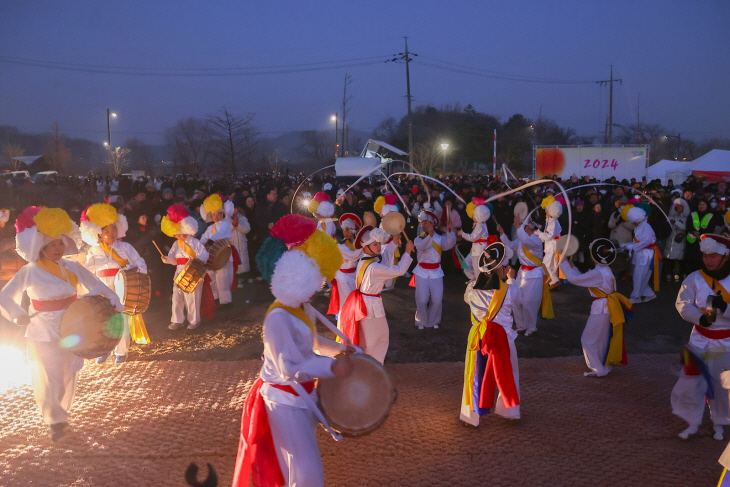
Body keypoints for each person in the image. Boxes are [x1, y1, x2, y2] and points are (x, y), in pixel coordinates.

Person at [233, 214, 351, 487]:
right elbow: (288, 368)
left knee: (295, 472)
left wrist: (343, 350)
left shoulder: (300, 306)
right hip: (284, 401)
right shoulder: (278, 317)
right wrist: (332, 367)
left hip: (302, 396)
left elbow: (314, 344)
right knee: (307, 475)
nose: (319, 286)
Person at [0, 207, 123, 441]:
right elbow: (5, 297)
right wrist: (18, 315)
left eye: (60, 244)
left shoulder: (72, 266)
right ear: (41, 247)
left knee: (68, 375)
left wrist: (112, 298)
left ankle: (62, 415)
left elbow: (96, 284)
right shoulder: (30, 271)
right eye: (52, 245)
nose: (58, 249)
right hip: (42, 330)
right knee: (49, 377)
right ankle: (55, 422)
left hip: (73, 327)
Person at [671, 234, 730, 441]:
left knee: (722, 385)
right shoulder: (695, 277)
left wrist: (726, 308)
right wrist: (699, 318)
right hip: (699, 339)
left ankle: (720, 421)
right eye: (705, 255)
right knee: (690, 381)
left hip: (726, 342)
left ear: (724, 256)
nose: (708, 260)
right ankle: (692, 421)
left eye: (713, 255)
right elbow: (682, 304)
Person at [460, 241, 520, 426]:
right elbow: (519, 301)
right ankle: (510, 411)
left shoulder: (471, 289)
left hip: (478, 338)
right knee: (508, 373)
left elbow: (466, 298)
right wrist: (511, 279)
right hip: (503, 339)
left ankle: (470, 417)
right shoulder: (510, 290)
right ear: (501, 268)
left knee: (473, 376)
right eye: (506, 266)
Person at [80, 203, 148, 364]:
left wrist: (135, 270)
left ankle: (121, 351)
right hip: (103, 286)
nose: (111, 234)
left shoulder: (125, 247)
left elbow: (140, 262)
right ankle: (105, 350)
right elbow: (88, 270)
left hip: (123, 287)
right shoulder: (94, 250)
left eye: (113, 230)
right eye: (106, 231)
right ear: (99, 234)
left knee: (121, 318)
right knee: (103, 318)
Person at [339, 225, 414, 363]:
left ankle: (369, 369)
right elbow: (398, 270)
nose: (379, 247)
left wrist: (393, 242)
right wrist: (407, 252)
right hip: (370, 307)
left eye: (379, 244)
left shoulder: (365, 260)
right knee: (377, 341)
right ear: (366, 247)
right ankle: (372, 371)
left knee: (371, 341)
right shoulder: (373, 266)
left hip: (365, 304)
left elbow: (384, 257)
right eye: (375, 244)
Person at [559, 238, 633, 377]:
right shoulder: (604, 270)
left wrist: (563, 262)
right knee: (602, 339)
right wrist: (572, 267)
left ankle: (599, 369)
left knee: (588, 339)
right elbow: (584, 278)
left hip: (601, 309)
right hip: (607, 307)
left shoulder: (598, 273)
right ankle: (604, 366)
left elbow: (575, 280)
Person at [498, 215, 553, 336]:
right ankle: (521, 325)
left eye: (524, 224)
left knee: (529, 302)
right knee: (516, 299)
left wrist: (517, 226)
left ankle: (531, 327)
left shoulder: (536, 240)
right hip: (522, 273)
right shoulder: (522, 239)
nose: (523, 226)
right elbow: (511, 244)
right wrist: (502, 234)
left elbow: (525, 241)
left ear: (529, 226)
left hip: (534, 275)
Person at [160, 204, 210, 330]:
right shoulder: (176, 244)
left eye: (179, 234)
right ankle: (177, 320)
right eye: (176, 234)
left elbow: (204, 254)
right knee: (177, 297)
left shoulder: (195, 242)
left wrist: (200, 259)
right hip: (179, 273)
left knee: (192, 298)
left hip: (193, 272)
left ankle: (194, 321)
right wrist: (167, 259)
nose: (177, 236)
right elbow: (173, 259)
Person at [412, 210, 456, 329]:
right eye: (422, 223)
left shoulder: (440, 238)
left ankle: (433, 321)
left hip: (436, 272)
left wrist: (450, 231)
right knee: (422, 299)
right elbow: (422, 247)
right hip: (421, 272)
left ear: (432, 223)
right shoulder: (418, 239)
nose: (423, 225)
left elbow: (449, 244)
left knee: (437, 299)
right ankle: (421, 321)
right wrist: (430, 236)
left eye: (426, 222)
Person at [620, 203, 660, 303]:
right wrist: (626, 245)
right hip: (640, 254)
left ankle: (635, 297)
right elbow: (637, 241)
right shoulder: (640, 226)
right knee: (640, 276)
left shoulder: (646, 227)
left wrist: (632, 246)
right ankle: (649, 294)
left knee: (639, 276)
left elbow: (646, 242)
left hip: (645, 255)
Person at [200, 194, 234, 306]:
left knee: (223, 278)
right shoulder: (210, 228)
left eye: (218, 214)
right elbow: (204, 237)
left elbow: (221, 234)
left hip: (224, 254)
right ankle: (216, 298)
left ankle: (226, 301)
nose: (216, 217)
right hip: (212, 256)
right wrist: (201, 244)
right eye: (213, 215)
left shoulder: (226, 224)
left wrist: (210, 241)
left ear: (222, 214)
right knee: (213, 278)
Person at [327, 213, 363, 319]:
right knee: (346, 303)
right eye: (344, 230)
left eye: (348, 230)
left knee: (353, 302)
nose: (346, 233)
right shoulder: (340, 246)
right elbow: (353, 256)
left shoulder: (356, 244)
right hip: (342, 278)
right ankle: (344, 326)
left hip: (354, 276)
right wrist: (365, 245)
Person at [459, 198, 492, 278]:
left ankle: (478, 283)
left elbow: (472, 237)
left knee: (478, 269)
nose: (472, 217)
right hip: (476, 249)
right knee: (466, 264)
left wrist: (462, 233)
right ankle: (475, 280)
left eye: (473, 216)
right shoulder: (481, 224)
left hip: (479, 250)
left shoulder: (480, 225)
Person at [534, 195, 563, 284]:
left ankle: (554, 280)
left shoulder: (553, 221)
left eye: (547, 209)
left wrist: (539, 234)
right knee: (550, 266)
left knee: (546, 264)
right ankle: (553, 281)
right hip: (550, 245)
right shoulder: (549, 219)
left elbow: (549, 236)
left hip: (553, 246)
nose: (546, 211)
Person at [230, 205, 251, 287]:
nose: (234, 210)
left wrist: (238, 225)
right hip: (233, 243)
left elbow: (247, 229)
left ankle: (245, 277)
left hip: (242, 243)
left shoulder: (242, 218)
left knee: (244, 261)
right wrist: (233, 225)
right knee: (236, 262)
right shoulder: (226, 219)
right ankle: (238, 280)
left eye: (235, 208)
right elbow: (226, 230)